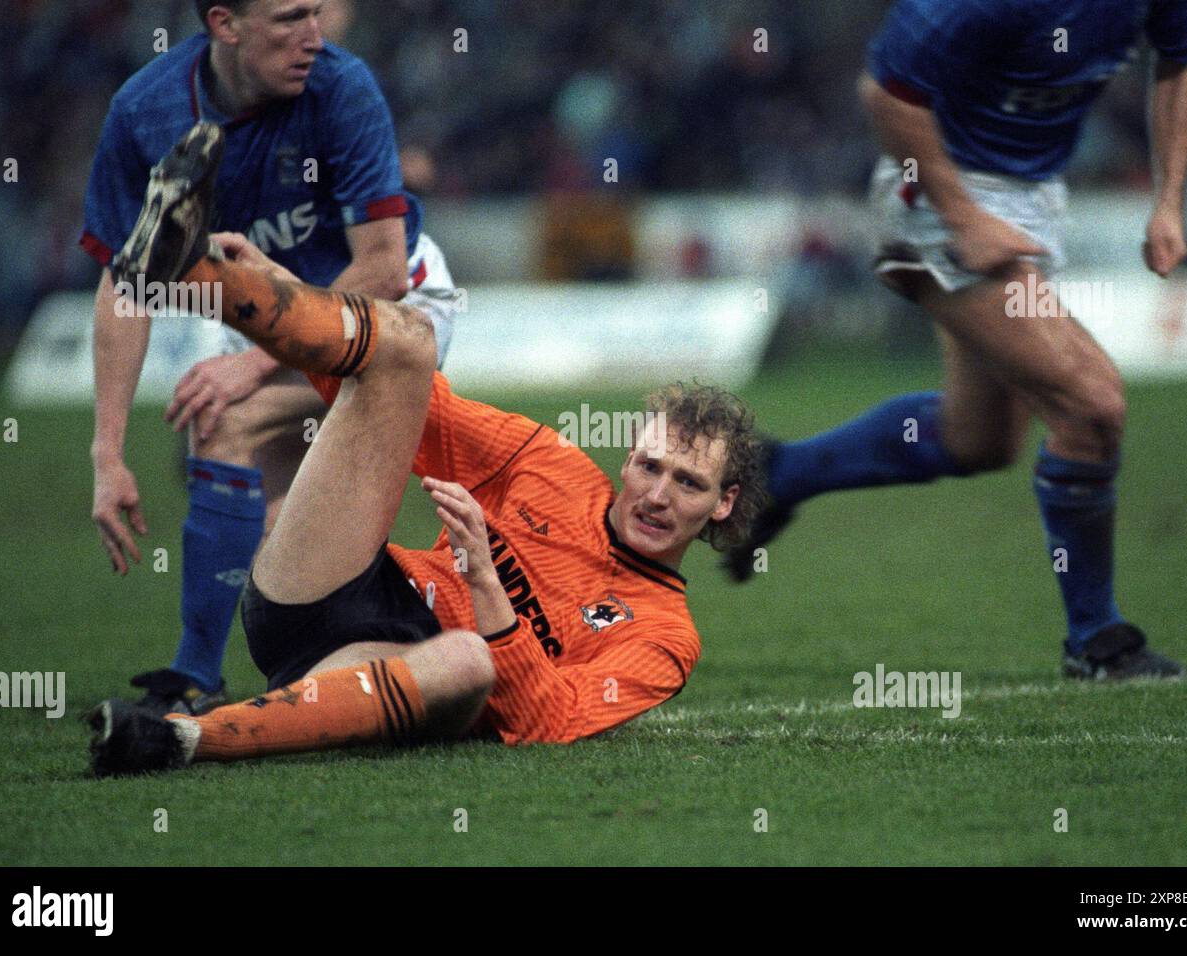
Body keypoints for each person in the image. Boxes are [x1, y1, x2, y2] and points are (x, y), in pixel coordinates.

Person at [88, 123, 765, 774]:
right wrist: (283, 299)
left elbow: (546, 722)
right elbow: (403, 400)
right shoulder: (550, 463)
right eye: (650, 466)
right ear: (627, 460)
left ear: (723, 504)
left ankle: (180, 739)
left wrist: (484, 581)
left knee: (468, 659)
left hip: (418, 667)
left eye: (687, 483)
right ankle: (193, 269)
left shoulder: (666, 638)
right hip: (333, 590)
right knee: (407, 344)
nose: (656, 494)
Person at [723, 0, 1187, 680]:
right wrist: (965, 218)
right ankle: (1098, 642)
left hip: (1035, 198)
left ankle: (779, 476)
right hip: (936, 195)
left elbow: (1180, 61)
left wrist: (1170, 202)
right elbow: (887, 93)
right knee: (1092, 404)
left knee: (977, 439)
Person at [82, 0, 457, 716]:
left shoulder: (343, 90)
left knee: (229, 416)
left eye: (315, 13)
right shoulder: (144, 111)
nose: (314, 37)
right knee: (287, 550)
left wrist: (252, 364)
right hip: (272, 315)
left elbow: (379, 268)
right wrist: (108, 453)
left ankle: (195, 678)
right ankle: (369, 662)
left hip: (393, 317)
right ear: (224, 25)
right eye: (289, 19)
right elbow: (125, 284)